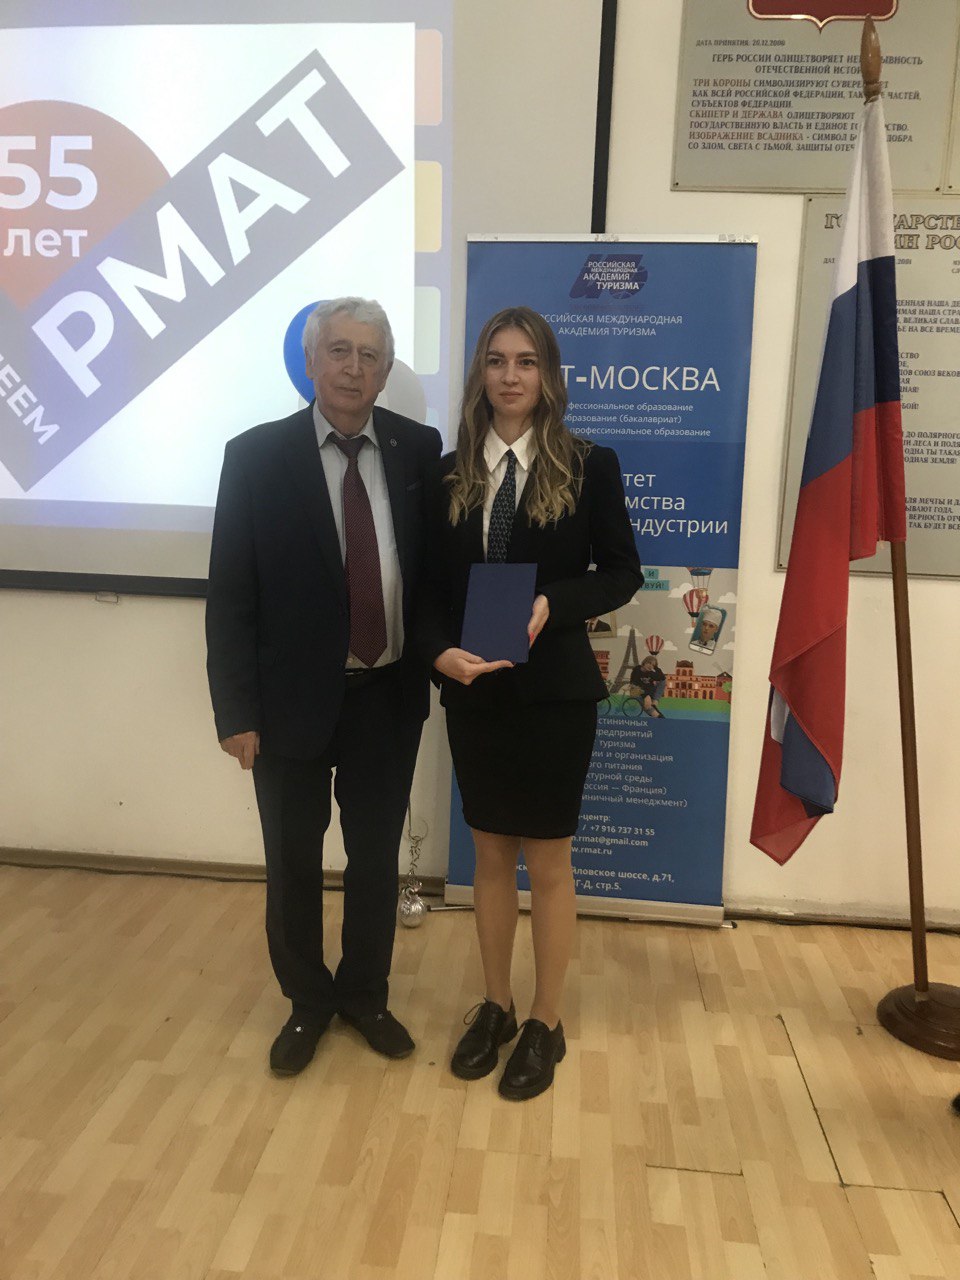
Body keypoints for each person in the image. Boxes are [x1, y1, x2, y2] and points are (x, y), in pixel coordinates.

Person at [206, 297, 441, 1077]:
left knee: (374, 859)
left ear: (386, 368)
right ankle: (308, 1000)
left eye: (369, 354)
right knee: (292, 860)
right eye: (338, 351)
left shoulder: (417, 449)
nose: (353, 367)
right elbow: (231, 594)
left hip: (387, 697)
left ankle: (365, 995)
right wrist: (236, 711)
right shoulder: (256, 457)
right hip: (287, 706)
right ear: (310, 362)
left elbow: (433, 573)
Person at [419, 306, 644, 1100]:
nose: (509, 376)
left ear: (548, 375)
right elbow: (426, 589)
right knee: (488, 857)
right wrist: (437, 651)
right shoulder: (447, 473)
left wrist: (555, 600)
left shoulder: (588, 464)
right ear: (480, 373)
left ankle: (547, 1020)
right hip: (475, 692)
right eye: (496, 360)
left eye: (525, 361)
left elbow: (623, 572)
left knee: (546, 862)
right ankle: (498, 1006)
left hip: (554, 697)